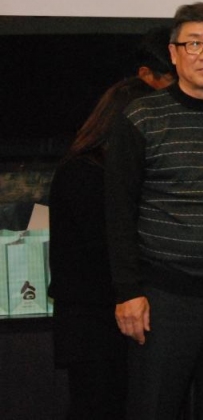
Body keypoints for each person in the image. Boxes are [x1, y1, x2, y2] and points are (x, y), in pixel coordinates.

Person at [104, 2, 203, 420]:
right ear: (174, 54)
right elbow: (118, 211)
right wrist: (128, 292)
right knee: (153, 408)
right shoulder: (140, 116)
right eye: (194, 43)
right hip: (162, 297)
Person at [49, 76, 153, 420]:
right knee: (97, 405)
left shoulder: (95, 167)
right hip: (92, 321)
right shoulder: (85, 171)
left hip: (108, 314)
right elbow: (103, 246)